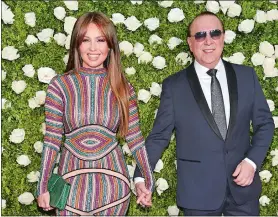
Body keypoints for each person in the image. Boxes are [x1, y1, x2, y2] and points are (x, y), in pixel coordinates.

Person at [134, 11, 274, 216]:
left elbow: (265, 124)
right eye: (200, 35)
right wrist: (141, 176)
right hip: (197, 195)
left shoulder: (246, 76)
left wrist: (252, 162)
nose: (208, 40)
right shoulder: (174, 87)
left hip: (243, 192)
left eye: (215, 33)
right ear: (190, 43)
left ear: (223, 38)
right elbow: (159, 136)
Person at [36, 11, 154, 216]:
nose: (93, 48)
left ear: (110, 45)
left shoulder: (124, 88)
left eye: (100, 40)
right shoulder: (60, 86)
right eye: (85, 40)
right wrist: (42, 186)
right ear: (76, 44)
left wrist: (148, 182)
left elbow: (134, 137)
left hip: (114, 190)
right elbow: (52, 139)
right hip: (69, 189)